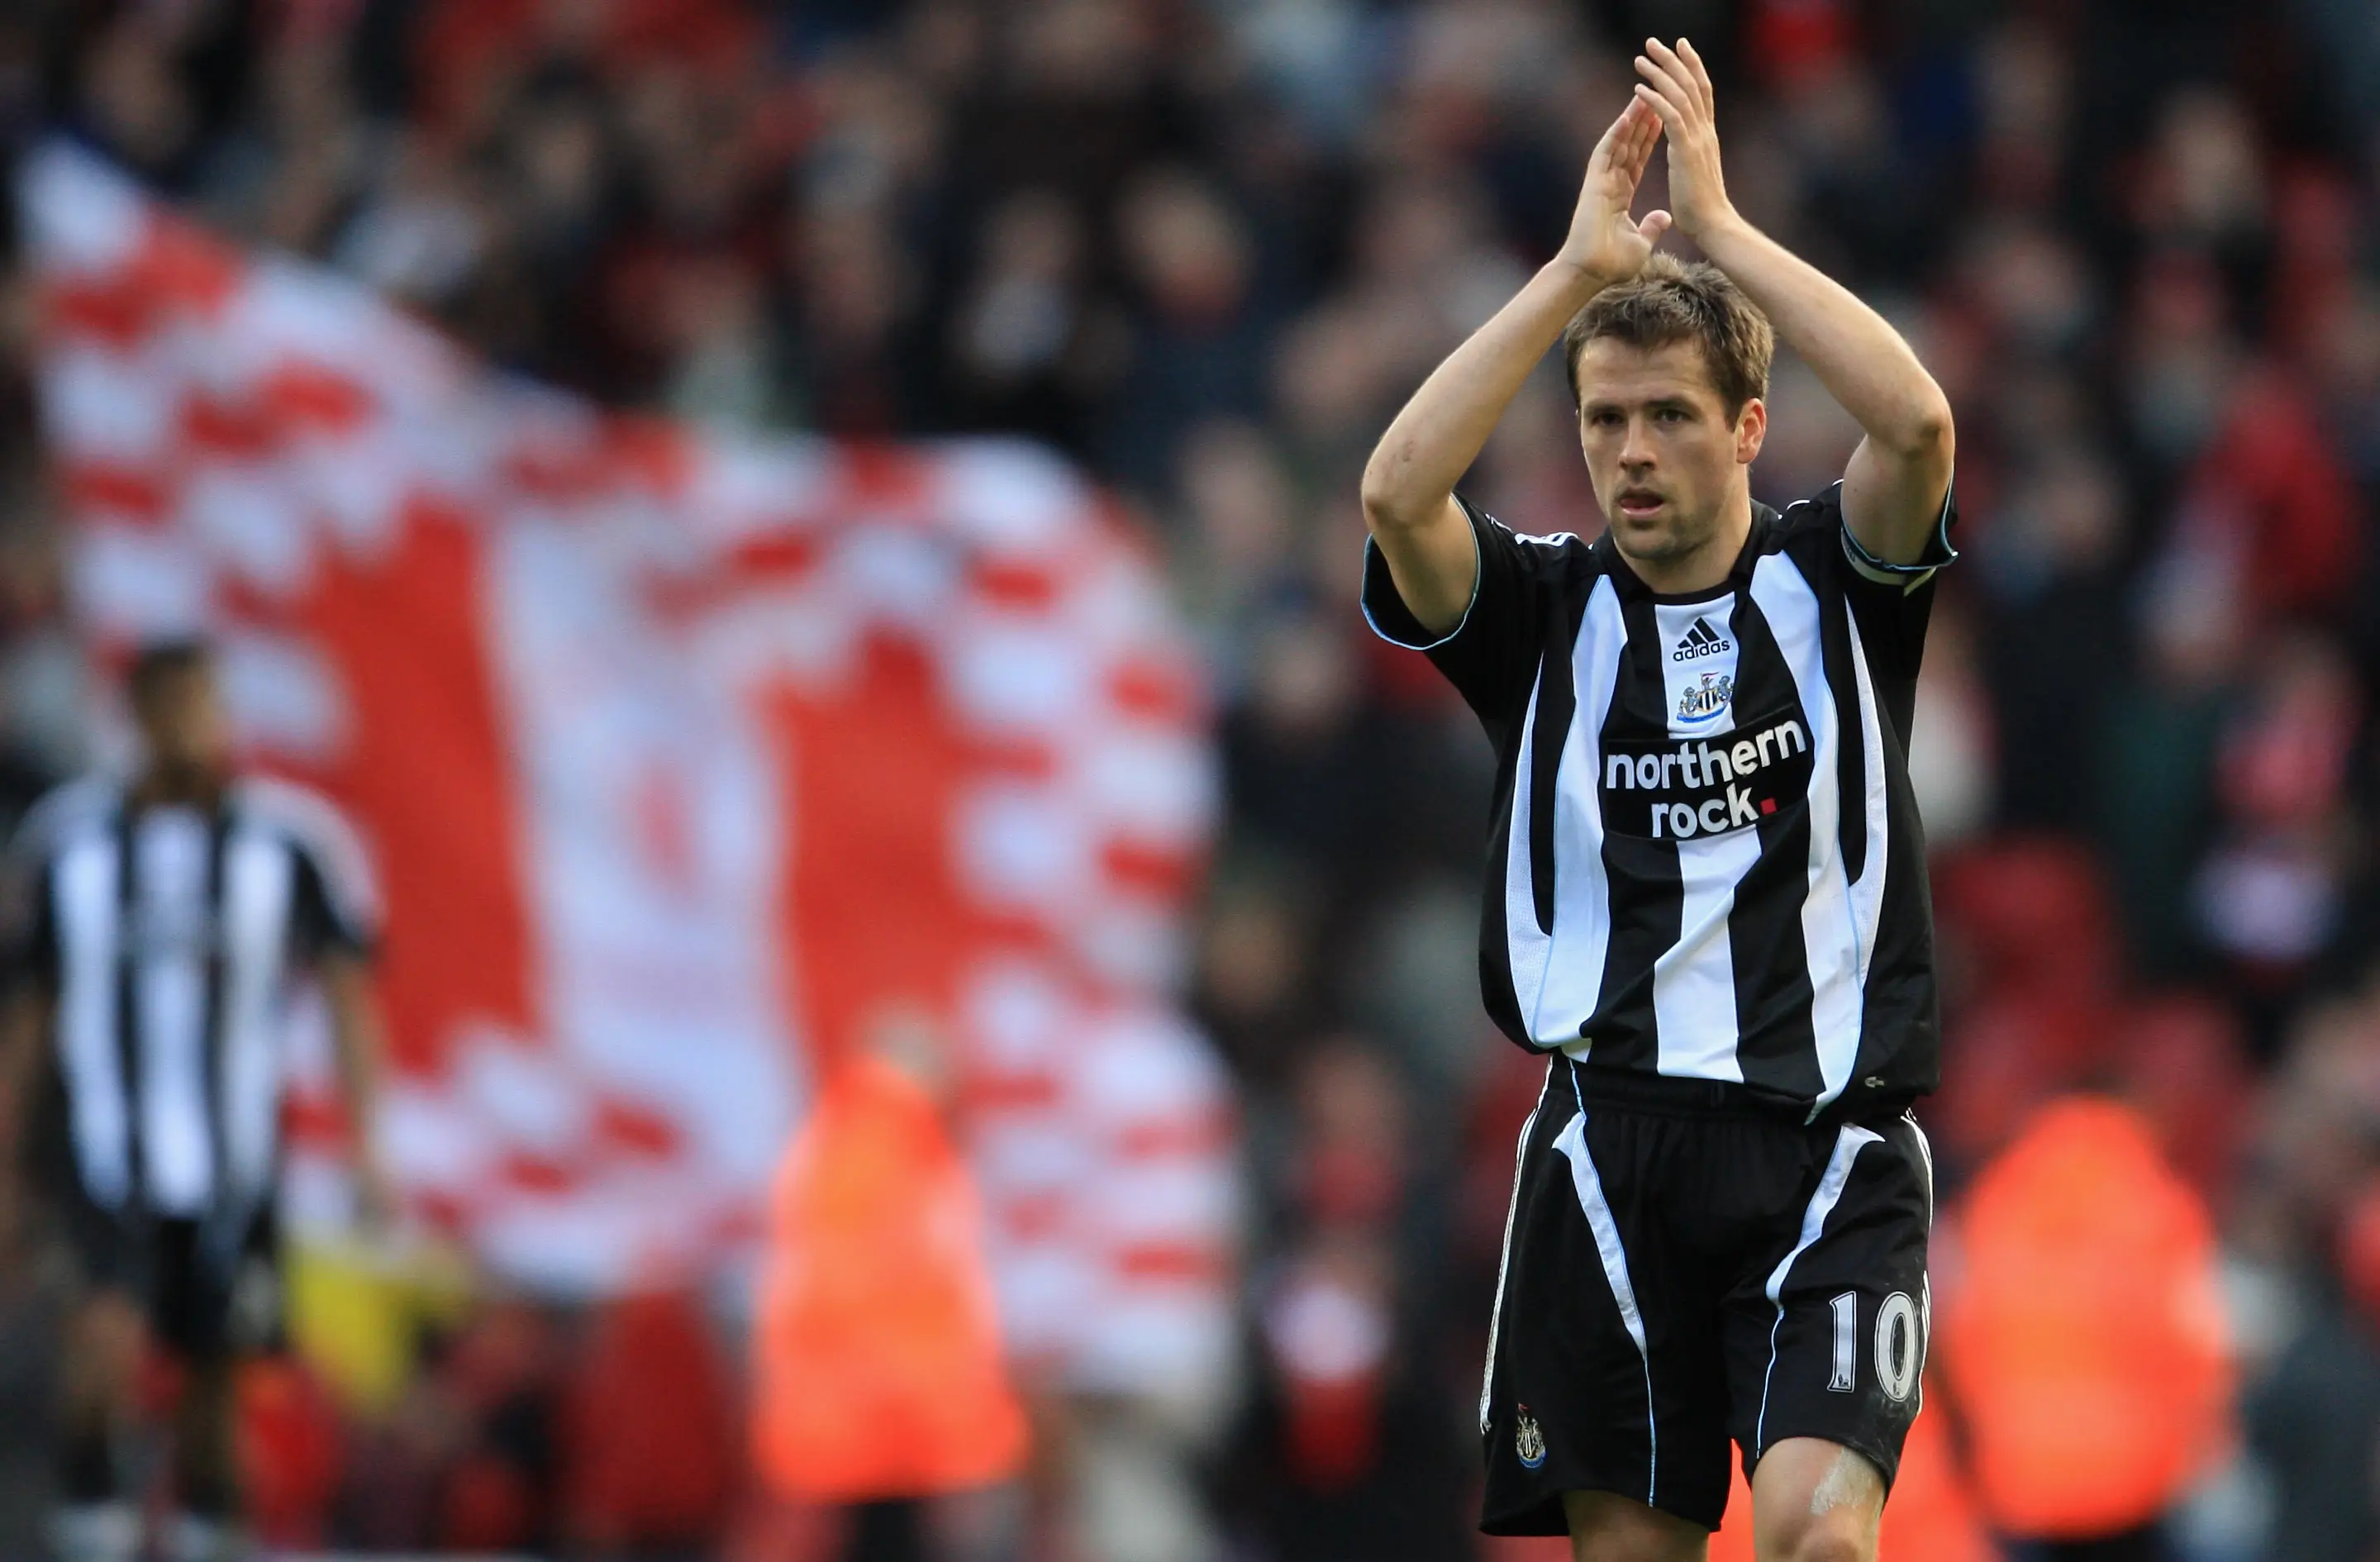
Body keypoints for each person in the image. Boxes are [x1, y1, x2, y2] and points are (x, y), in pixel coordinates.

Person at [1356, 39, 1956, 1562]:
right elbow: (1396, 494)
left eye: (1670, 416)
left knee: (1819, 1537)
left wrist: (1729, 238)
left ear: (1748, 428)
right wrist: (1571, 278)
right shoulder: (1544, 616)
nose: (1630, 449)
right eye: (1605, 418)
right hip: (1607, 1153)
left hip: (1826, 1146)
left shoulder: (1838, 581)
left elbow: (1920, 426)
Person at [0, 641, 393, 1562]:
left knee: (217, 1387)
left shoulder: (292, 841)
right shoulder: (70, 842)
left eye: (207, 705)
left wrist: (370, 1145)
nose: (195, 727)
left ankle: (210, 1536)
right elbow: (27, 1012)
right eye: (173, 708)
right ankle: (89, 1527)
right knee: (101, 1347)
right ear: (136, 720)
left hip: (235, 1158)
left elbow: (347, 996)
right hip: (102, 1151)